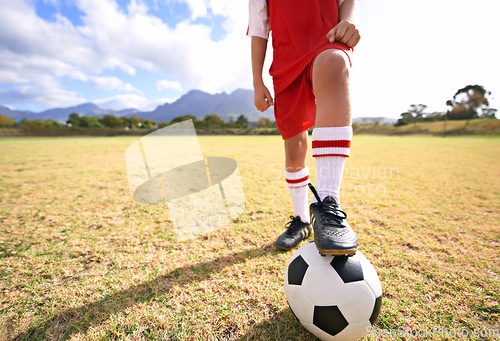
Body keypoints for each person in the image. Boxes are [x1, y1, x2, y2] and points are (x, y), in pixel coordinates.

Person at [248, 0, 361, 255]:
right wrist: (257, 80)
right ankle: (301, 220)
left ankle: (327, 203)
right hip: (286, 62)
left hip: (327, 39)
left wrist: (349, 20)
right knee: (294, 147)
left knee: (334, 62)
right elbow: (258, 29)